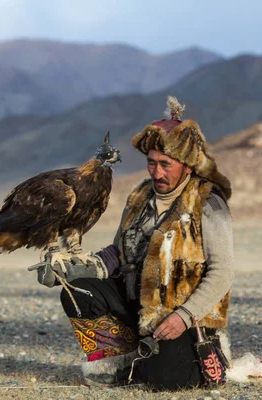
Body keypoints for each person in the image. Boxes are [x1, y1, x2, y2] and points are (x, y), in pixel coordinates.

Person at [29, 96, 234, 390]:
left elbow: (222, 272)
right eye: (152, 163)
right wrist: (79, 268)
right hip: (134, 303)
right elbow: (120, 251)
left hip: (180, 316)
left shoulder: (209, 204)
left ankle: (183, 356)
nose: (157, 172)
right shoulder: (140, 197)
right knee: (79, 291)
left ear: (187, 166)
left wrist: (184, 316)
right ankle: (117, 361)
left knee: (166, 381)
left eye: (166, 164)